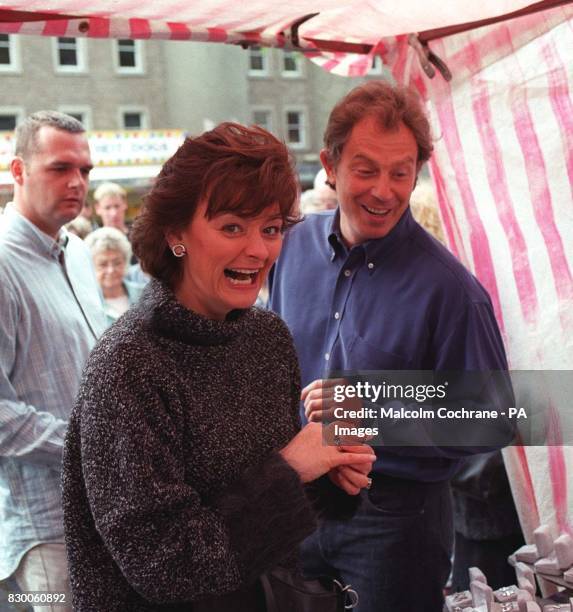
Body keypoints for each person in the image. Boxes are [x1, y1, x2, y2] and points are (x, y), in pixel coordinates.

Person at [62, 122, 376, 612]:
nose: (257, 249)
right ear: (176, 234)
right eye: (232, 226)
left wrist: (332, 474)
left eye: (270, 229)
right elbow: (164, 564)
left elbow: (270, 514)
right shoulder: (129, 366)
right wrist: (295, 467)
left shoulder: (266, 338)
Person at [269, 81, 511, 612]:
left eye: (401, 172)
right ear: (329, 165)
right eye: (366, 169)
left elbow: (495, 416)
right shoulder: (287, 246)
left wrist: (370, 409)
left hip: (396, 524)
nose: (384, 190)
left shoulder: (452, 289)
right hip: (295, 506)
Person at [0, 111, 107, 611]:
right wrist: (92, 445)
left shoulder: (79, 251)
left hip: (103, 509)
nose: (77, 182)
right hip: (45, 528)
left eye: (85, 170)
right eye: (60, 168)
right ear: (17, 171)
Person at [84, 226, 145, 326]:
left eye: (117, 263)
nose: (111, 270)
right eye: (103, 264)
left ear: (126, 262)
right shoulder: (87, 304)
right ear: (90, 266)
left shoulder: (144, 294)